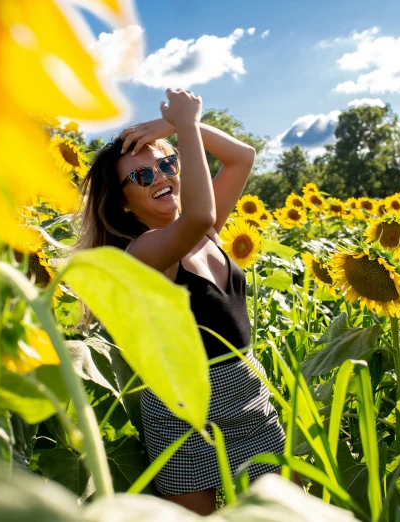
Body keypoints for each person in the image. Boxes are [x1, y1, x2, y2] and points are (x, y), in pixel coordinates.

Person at [75, 88, 286, 515]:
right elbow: (198, 214)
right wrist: (186, 126)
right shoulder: (145, 252)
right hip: (182, 412)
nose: (163, 177)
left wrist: (174, 127)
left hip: (247, 393)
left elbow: (242, 157)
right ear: (122, 202)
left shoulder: (204, 237)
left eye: (167, 164)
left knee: (286, 512)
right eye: (142, 176)